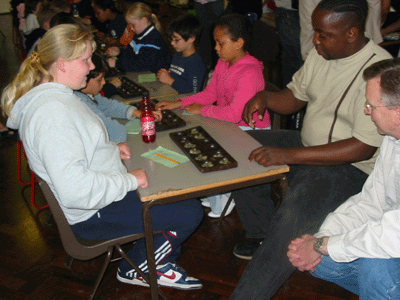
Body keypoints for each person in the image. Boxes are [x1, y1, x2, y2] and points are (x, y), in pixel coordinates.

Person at [1, 24, 203, 290]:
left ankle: (157, 258)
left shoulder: (58, 98)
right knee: (190, 212)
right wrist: (130, 180)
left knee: (176, 195)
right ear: (61, 64)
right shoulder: (53, 114)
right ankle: (140, 266)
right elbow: (76, 191)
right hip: (93, 214)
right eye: (85, 60)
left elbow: (74, 146)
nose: (89, 66)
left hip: (101, 198)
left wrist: (106, 149)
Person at [228, 0, 392, 299]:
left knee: (293, 218)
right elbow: (295, 97)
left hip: (348, 168)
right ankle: (264, 235)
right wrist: (265, 97)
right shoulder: (323, 53)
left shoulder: (377, 71)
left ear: (352, 33)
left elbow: (362, 148)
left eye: (322, 34)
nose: (315, 39)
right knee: (240, 146)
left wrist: (287, 155)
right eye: (315, 31)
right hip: (308, 146)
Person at [288, 57, 400, 300]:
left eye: (371, 106)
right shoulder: (393, 140)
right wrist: (321, 238)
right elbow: (370, 202)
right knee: (324, 262)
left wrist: (324, 245)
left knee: (375, 267)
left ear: (397, 111)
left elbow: (395, 234)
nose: (365, 111)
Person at [156, 13, 271, 218]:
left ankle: (225, 193)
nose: (216, 48)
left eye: (220, 43)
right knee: (192, 130)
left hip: (251, 131)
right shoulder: (224, 62)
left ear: (239, 43)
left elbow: (236, 114)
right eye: (215, 43)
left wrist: (201, 110)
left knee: (205, 140)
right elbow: (211, 94)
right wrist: (180, 103)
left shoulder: (250, 72)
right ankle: (217, 189)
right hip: (232, 124)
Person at [75, 51, 162, 143]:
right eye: (99, 80)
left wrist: (137, 113)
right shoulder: (80, 102)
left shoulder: (87, 94)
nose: (104, 82)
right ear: (83, 79)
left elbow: (106, 105)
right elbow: (117, 134)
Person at [106, 2, 171, 73]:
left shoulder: (154, 39)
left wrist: (117, 63)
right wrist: (119, 52)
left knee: (128, 80)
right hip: (143, 72)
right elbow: (131, 54)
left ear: (144, 20)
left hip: (155, 76)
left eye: (132, 25)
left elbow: (143, 64)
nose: (130, 28)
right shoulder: (138, 35)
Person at [157, 14, 206, 94]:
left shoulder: (196, 64)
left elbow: (193, 92)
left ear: (191, 38)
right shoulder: (177, 56)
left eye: (176, 40)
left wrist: (170, 80)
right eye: (171, 39)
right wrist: (164, 75)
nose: (172, 43)